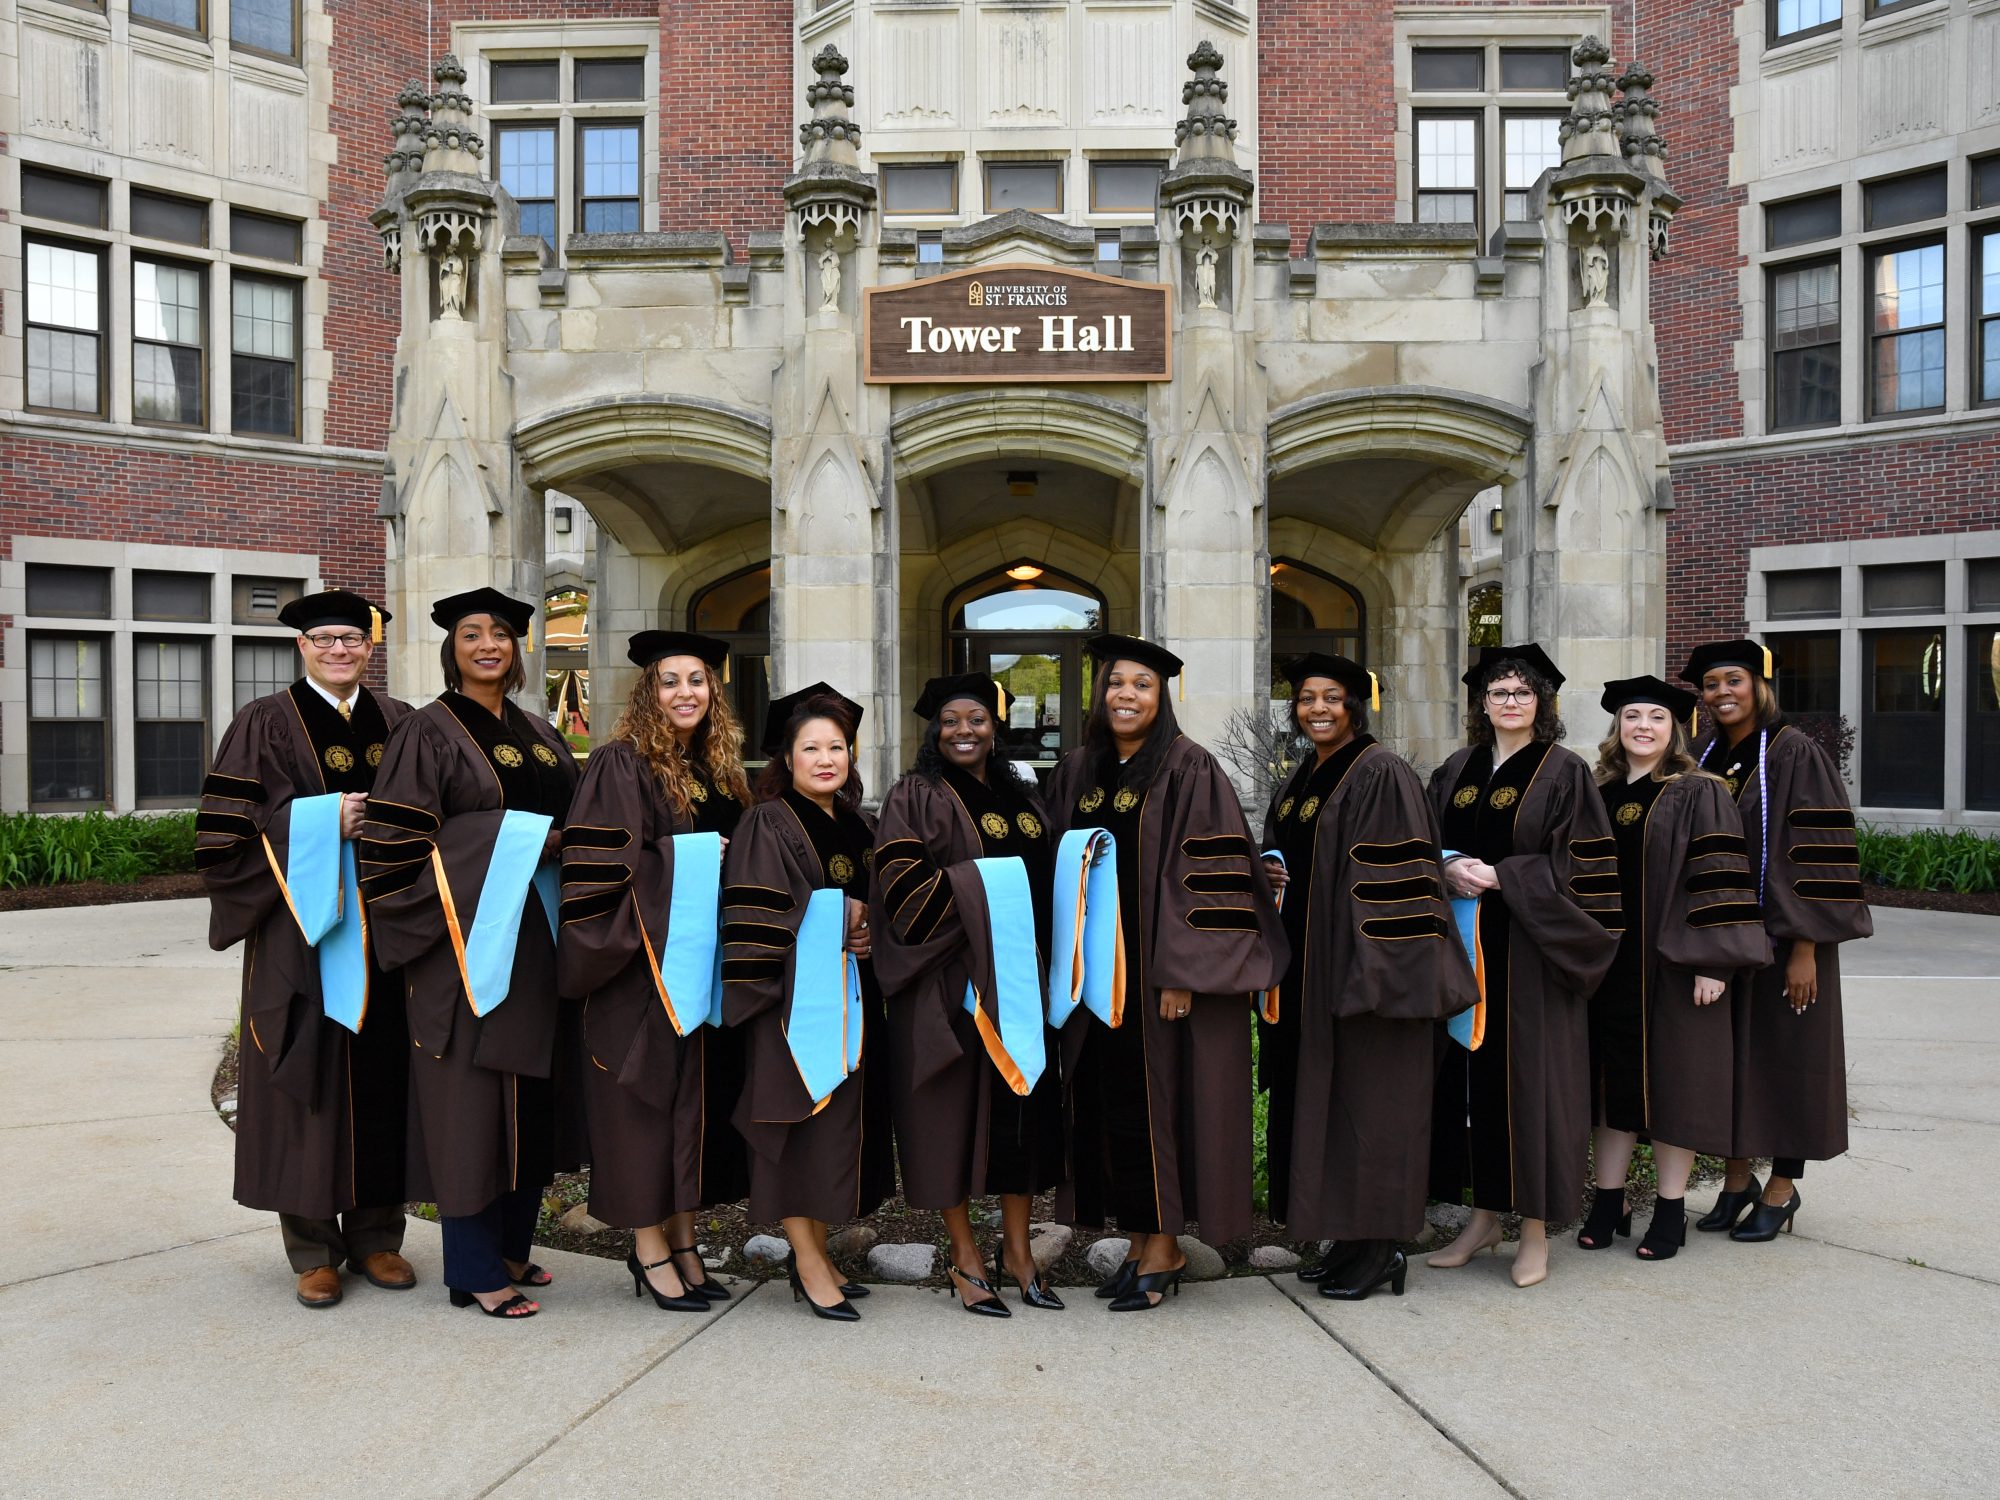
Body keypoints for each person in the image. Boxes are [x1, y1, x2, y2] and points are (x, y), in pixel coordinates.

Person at [1045, 634, 1288, 1312]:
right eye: (1116, 683)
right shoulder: (1078, 769)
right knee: (1107, 1105)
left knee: (1161, 1107)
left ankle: (1166, 1246)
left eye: (1141, 685)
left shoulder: (1189, 768)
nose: (1125, 694)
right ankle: (1138, 1239)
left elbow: (1208, 879)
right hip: (1093, 982)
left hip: (1157, 982)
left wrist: (1182, 972)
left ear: (1162, 697)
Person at [360, 588, 579, 1319]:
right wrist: (518, 840)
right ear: (451, 648)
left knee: (531, 1095)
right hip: (462, 941)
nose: (488, 645)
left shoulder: (541, 732)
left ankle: (514, 1245)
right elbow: (392, 852)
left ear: (518, 649)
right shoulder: (427, 733)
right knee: (471, 1103)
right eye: (472, 634)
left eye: (502, 635)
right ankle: (475, 1268)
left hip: (539, 936)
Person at [196, 589, 415, 1309]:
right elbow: (225, 834)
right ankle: (314, 1249)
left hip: (387, 928)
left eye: (352, 638)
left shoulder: (401, 722)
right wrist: (326, 823)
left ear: (369, 646)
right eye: (324, 639)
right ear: (302, 646)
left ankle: (380, 1238)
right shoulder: (265, 723)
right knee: (307, 1071)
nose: (340, 650)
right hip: (301, 934)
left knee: (385, 1073)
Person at [1260, 655, 1477, 1301]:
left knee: (1376, 1111)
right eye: (1305, 698)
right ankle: (1349, 1240)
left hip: (1372, 981)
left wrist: (1381, 978)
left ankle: (1382, 1249)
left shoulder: (1380, 772)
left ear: (1357, 705)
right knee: (1334, 1109)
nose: (1317, 708)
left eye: (1331, 697)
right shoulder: (1304, 773)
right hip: (1311, 972)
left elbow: (1399, 882)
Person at [558, 631, 752, 1312]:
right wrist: (686, 858)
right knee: (645, 1109)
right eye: (669, 681)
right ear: (648, 692)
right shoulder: (621, 762)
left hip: (705, 968)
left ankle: (687, 1240)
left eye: (697, 680)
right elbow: (599, 869)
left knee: (693, 1108)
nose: (684, 693)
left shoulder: (720, 768)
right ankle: (648, 1250)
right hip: (640, 969)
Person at [1426, 643, 1621, 1288]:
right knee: (1473, 1088)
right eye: (1499, 693)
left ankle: (1534, 1230)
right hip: (1461, 954)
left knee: (1533, 1088)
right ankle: (1484, 1219)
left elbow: (1584, 868)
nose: (1510, 702)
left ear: (1542, 703)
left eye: (1522, 693)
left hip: (1534, 959)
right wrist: (1446, 870)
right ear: (1482, 704)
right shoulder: (1456, 768)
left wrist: (1505, 876)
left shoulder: (1565, 772)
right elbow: (1423, 844)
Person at [872, 673, 1065, 1317]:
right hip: (951, 982)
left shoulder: (1020, 791)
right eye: (951, 720)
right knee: (949, 1117)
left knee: (1020, 1115)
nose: (964, 730)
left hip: (1021, 979)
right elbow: (901, 890)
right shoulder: (916, 793)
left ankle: (1018, 1251)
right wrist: (989, 897)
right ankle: (965, 1255)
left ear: (995, 727)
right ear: (935, 729)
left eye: (977, 719)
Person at [1683, 640, 1871, 1241]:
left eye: (1733, 680)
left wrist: (1805, 947)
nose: (1722, 693)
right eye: (1711, 684)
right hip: (1726, 941)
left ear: (1759, 685)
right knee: (1734, 1062)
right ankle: (1735, 1182)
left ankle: (1782, 1188)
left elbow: (1819, 855)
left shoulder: (1794, 753)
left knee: (1790, 1061)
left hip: (1788, 940)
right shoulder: (1705, 754)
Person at [1577, 676, 1769, 1262]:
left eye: (1656, 717)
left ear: (1675, 729)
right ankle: (1609, 1200)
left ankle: (1669, 1208)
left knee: (1671, 1086)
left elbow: (1719, 877)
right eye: (1631, 716)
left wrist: (1715, 961)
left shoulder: (1698, 791)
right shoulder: (1598, 791)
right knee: (1608, 1086)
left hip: (1674, 964)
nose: (1642, 726)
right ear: (1616, 727)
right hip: (1606, 965)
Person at [720, 684, 894, 1321]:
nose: (827, 758)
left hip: (855, 998)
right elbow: (758, 913)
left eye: (838, 747)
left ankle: (819, 1250)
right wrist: (832, 920)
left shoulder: (859, 823)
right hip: (792, 1003)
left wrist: (872, 926)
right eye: (811, 747)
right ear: (785, 758)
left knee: (836, 1125)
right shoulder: (769, 820)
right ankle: (807, 1259)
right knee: (800, 1122)